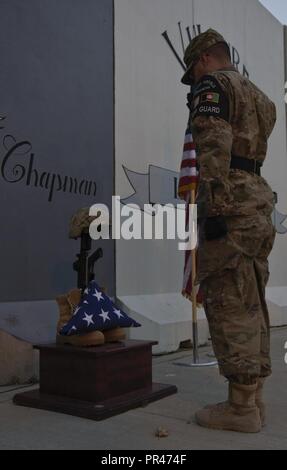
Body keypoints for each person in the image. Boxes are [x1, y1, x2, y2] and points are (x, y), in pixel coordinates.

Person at [181, 29, 277, 433]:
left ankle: (240, 408)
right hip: (257, 199)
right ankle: (254, 398)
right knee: (251, 298)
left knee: (228, 299)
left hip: (231, 202)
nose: (193, 78)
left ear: (204, 59)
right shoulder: (260, 97)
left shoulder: (213, 86)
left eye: (193, 70)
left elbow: (214, 143)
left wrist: (214, 205)